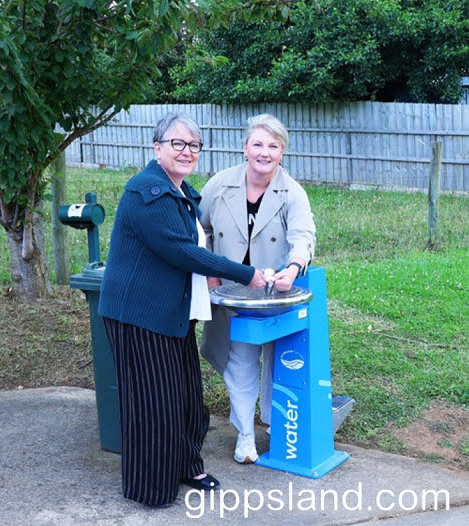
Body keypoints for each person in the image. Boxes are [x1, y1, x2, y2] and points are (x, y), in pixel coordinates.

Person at [98, 112, 268, 508]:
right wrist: (246, 274)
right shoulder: (145, 191)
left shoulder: (179, 189)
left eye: (193, 145)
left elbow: (196, 243)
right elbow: (181, 251)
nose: (186, 151)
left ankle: (187, 466)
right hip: (138, 315)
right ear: (157, 148)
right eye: (178, 143)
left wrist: (213, 276)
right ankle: (152, 487)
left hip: (172, 313)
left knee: (188, 400)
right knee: (153, 405)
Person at [199, 113, 316, 464]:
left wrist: (294, 268)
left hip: (274, 295)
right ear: (245, 147)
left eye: (273, 146)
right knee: (240, 361)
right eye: (258, 144)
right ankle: (245, 435)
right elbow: (198, 228)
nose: (264, 152)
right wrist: (210, 274)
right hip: (230, 294)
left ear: (282, 152)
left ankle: (275, 423)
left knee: (277, 361)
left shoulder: (292, 191)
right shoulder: (219, 185)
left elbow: (303, 236)